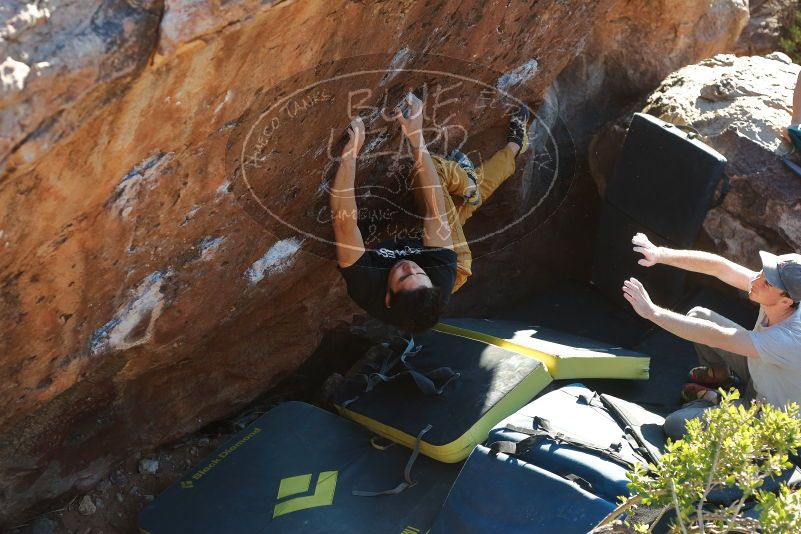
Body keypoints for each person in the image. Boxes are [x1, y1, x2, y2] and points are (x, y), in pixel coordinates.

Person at [331, 93, 530, 332]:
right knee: (433, 171)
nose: (409, 266)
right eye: (418, 272)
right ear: (430, 281)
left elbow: (344, 224)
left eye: (403, 277)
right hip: (453, 257)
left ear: (388, 298)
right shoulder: (441, 273)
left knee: (461, 206)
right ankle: (469, 184)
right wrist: (416, 137)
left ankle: (514, 147)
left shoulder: (366, 286)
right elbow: (435, 212)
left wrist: (349, 157)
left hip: (422, 246)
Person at [621, 233, 801, 440]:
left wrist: (653, 312)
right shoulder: (781, 295)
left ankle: (714, 400)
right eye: (762, 272)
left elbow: (718, 337)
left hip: (766, 414)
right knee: (698, 315)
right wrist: (659, 254)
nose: (756, 279)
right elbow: (720, 267)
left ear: (786, 302)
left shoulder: (790, 338)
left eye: (767, 282)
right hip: (761, 371)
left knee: (676, 425)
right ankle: (720, 376)